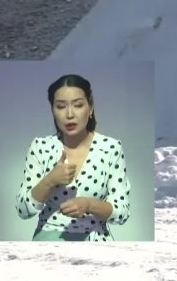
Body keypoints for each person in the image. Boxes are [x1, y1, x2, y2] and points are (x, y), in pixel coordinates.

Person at [15, 74, 131, 241]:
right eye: (61, 107)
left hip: (95, 241)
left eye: (78, 105)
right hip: (49, 241)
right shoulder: (41, 147)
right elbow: (23, 210)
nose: (69, 114)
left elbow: (122, 211)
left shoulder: (110, 148)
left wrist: (89, 205)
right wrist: (50, 180)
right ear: (53, 111)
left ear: (90, 108)